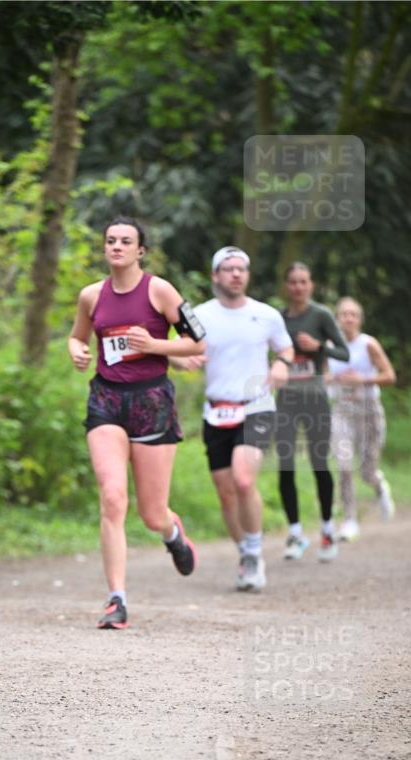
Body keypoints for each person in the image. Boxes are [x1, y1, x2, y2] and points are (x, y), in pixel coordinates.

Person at [67, 217, 203, 629]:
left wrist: (154, 344)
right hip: (106, 400)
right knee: (112, 498)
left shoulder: (159, 290)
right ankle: (116, 599)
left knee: (151, 512)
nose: (117, 247)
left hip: (152, 401)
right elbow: (78, 336)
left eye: (126, 241)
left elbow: (198, 341)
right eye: (111, 241)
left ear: (141, 250)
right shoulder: (92, 296)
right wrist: (76, 350)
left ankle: (171, 533)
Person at [193, 246, 294, 592]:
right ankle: (245, 553)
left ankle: (254, 551)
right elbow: (179, 350)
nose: (236, 274)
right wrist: (182, 362)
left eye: (241, 269)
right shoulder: (199, 315)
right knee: (225, 493)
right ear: (215, 276)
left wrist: (282, 364)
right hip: (216, 409)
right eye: (228, 269)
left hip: (256, 405)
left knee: (244, 480)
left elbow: (286, 348)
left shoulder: (266, 315)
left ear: (248, 275)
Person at [276, 262, 350, 562]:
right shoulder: (277, 318)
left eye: (303, 282)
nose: (298, 287)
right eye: (293, 282)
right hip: (287, 399)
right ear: (286, 286)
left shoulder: (320, 315)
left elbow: (343, 352)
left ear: (311, 285)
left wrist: (319, 346)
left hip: (315, 398)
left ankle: (327, 530)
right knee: (286, 465)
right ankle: (295, 533)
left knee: (320, 463)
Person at [328, 296, 396, 541]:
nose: (348, 318)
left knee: (367, 470)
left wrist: (362, 380)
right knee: (344, 465)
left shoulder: (369, 345)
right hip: (342, 411)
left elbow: (389, 376)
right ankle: (349, 520)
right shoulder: (329, 346)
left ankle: (378, 485)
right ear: (337, 318)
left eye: (353, 314)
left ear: (359, 319)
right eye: (344, 314)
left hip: (369, 411)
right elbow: (325, 375)